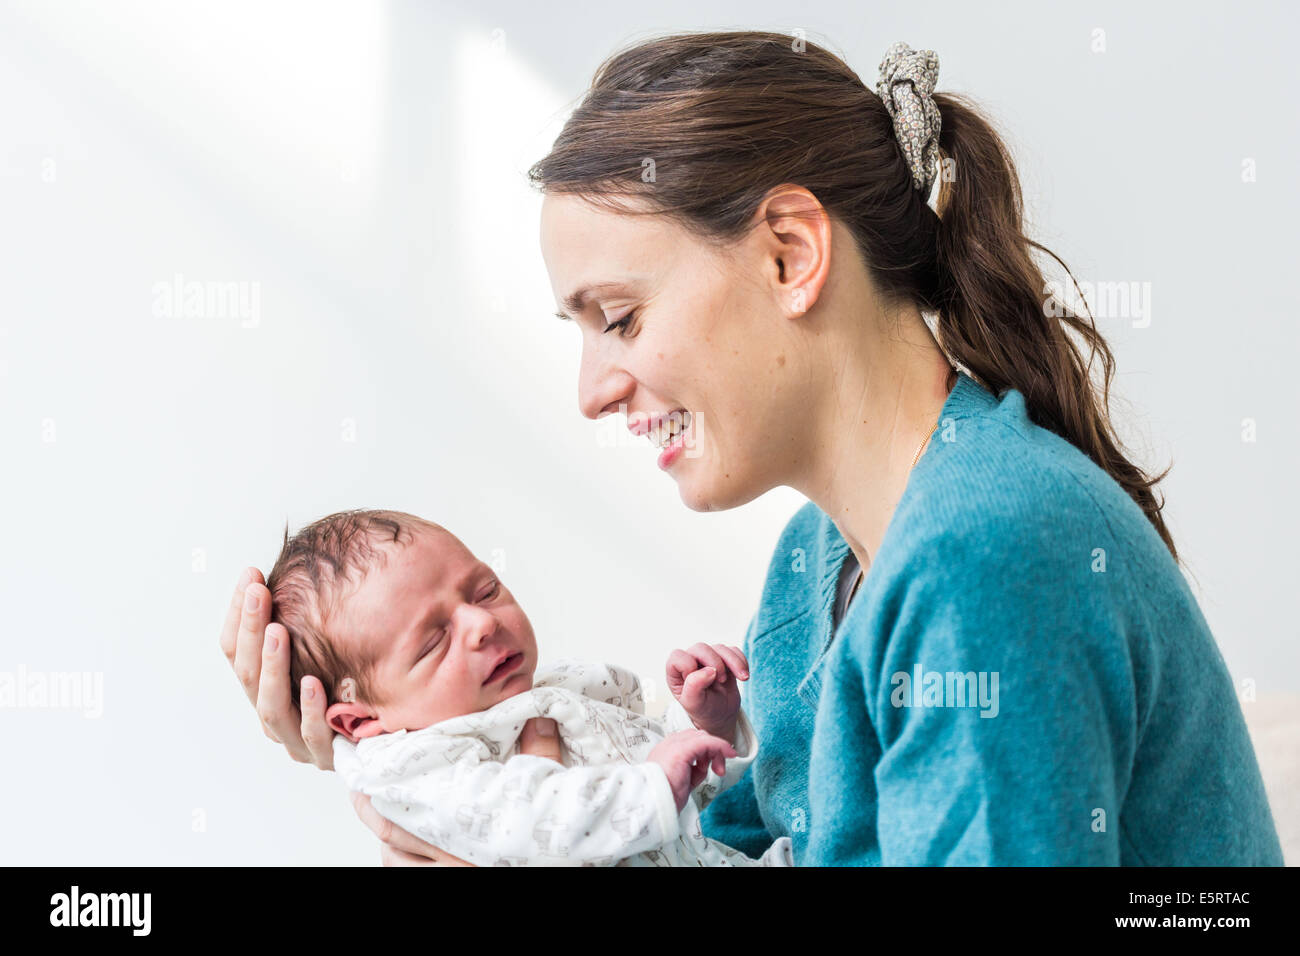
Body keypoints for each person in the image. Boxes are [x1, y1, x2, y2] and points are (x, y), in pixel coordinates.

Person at [221, 32, 1283, 865]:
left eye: (620, 317)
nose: (592, 391)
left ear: (789, 255)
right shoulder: (813, 563)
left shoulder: (986, 563)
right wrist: (432, 765)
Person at [262, 506, 792, 866]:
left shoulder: (546, 698)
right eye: (433, 641)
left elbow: (663, 787)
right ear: (360, 720)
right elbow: (534, 821)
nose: (482, 623)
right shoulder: (419, 771)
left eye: (485, 590)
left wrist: (701, 724)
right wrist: (656, 782)